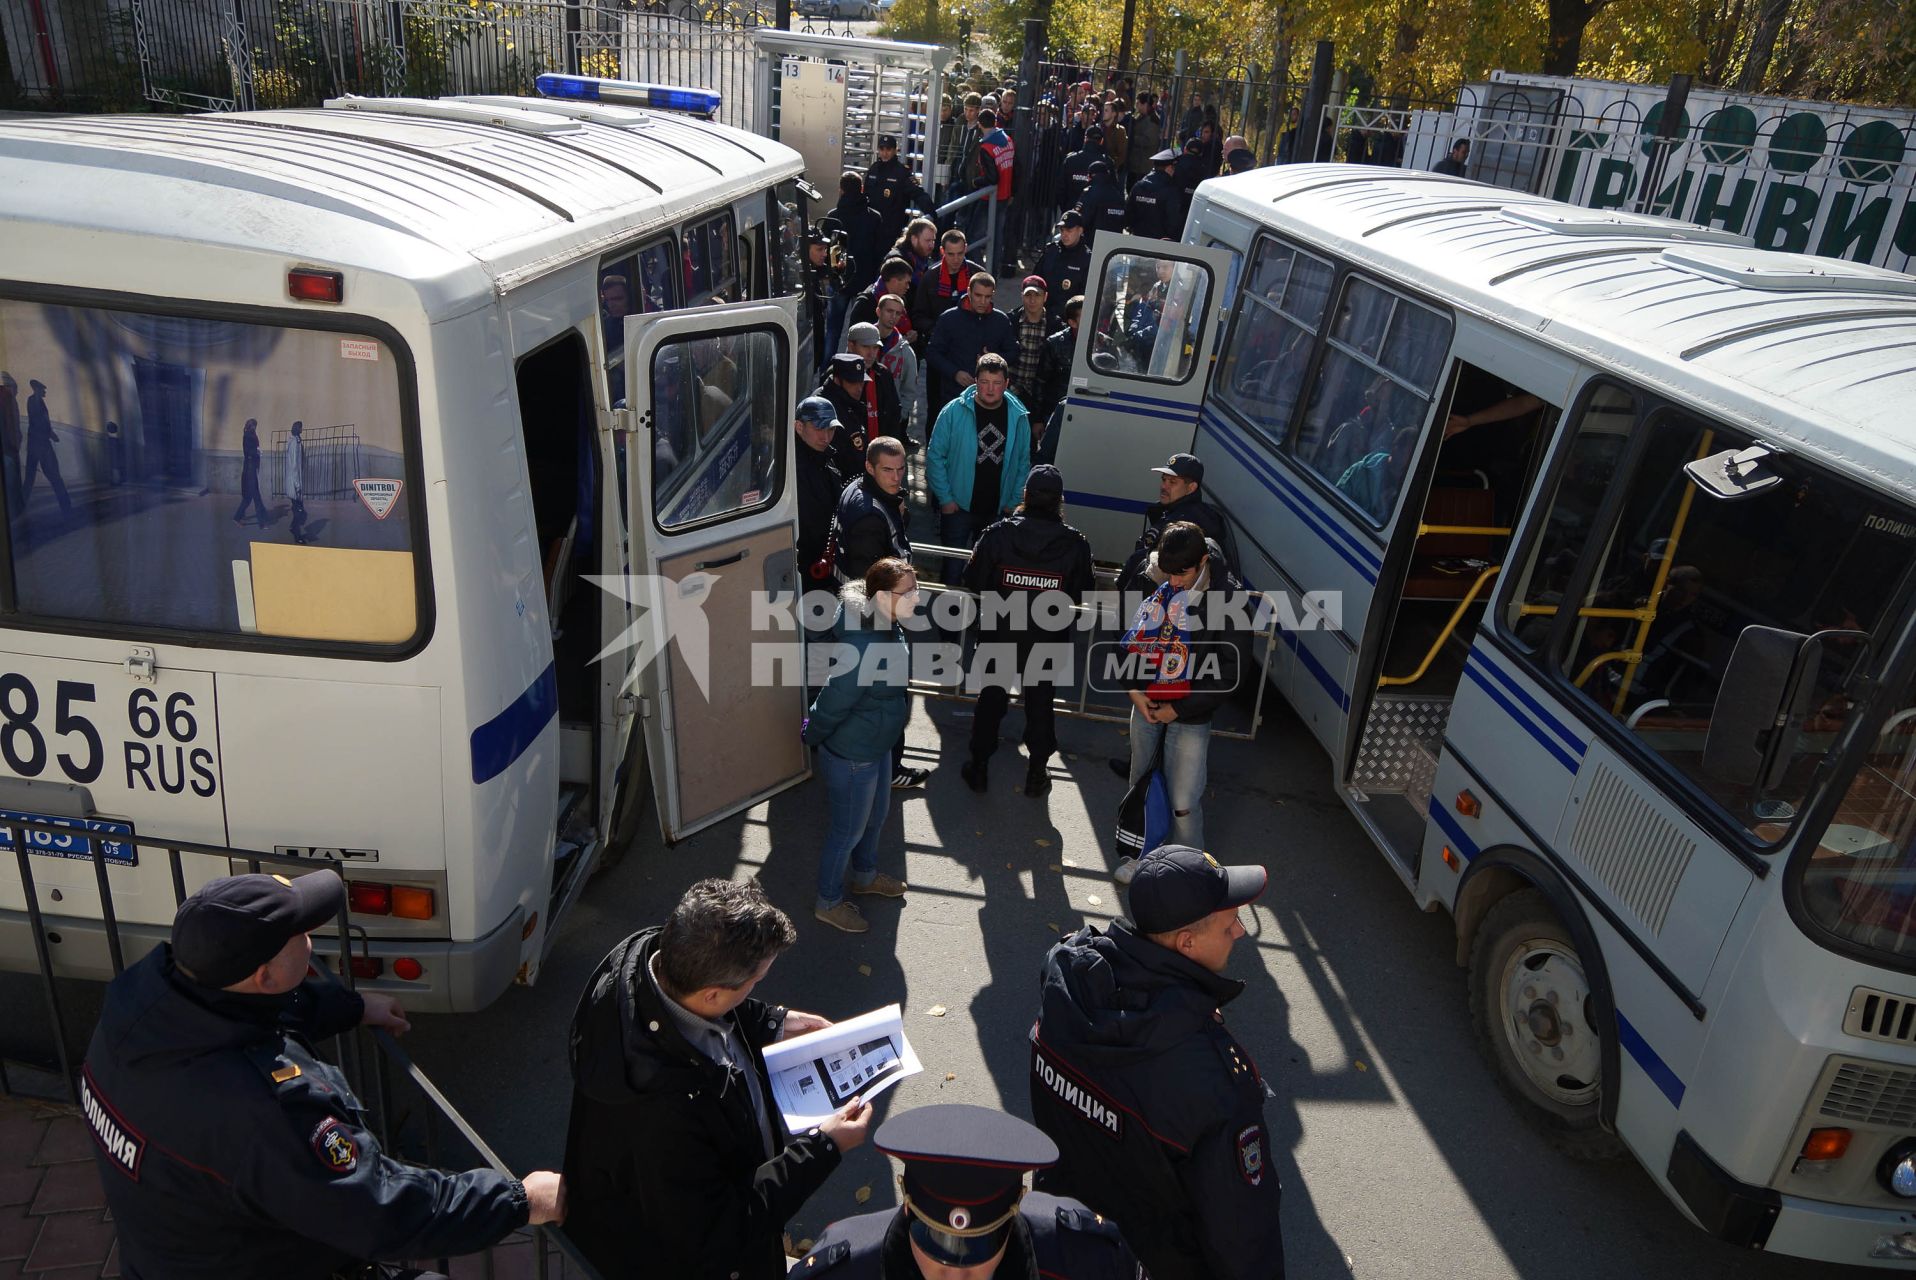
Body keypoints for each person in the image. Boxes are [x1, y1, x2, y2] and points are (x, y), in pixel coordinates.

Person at [83, 871, 562, 1278]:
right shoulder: (260, 1112)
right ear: (263, 975)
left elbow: (248, 1011)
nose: (312, 941)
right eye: (302, 936)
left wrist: (352, 1007)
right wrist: (521, 1201)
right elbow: (381, 1210)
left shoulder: (139, 1014)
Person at [564, 878, 873, 1275]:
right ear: (712, 995)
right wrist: (824, 1148)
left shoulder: (663, 968)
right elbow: (724, 1227)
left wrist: (771, 1021)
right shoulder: (660, 1115)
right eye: (754, 983)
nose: (756, 990)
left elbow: (724, 1014)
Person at [1029, 845, 1282, 1280]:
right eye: (1229, 923)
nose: (1240, 931)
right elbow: (1242, 1238)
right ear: (1186, 942)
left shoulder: (1065, 983)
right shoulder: (1215, 1083)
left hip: (1062, 1239)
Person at [799, 1104, 1143, 1278]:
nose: (956, 1277)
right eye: (936, 1249)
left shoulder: (1087, 1260)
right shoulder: (842, 1271)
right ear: (907, 1208)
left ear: (1014, 1213)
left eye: (979, 1248)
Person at [959, 465, 1094, 798]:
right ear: (1059, 501)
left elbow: (973, 580)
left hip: (999, 633)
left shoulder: (997, 534)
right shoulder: (1076, 544)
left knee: (991, 700)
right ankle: (1036, 773)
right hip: (1046, 637)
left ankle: (978, 768)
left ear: (1025, 496)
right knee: (1040, 702)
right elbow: (1083, 595)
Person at [1115, 522, 1240, 863]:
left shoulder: (1228, 597)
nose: (1173, 582)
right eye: (1167, 572)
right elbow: (1123, 638)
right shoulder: (1150, 577)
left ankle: (1187, 873)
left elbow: (1230, 672)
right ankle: (1139, 859)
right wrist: (1134, 691)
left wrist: (1180, 710)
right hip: (1146, 705)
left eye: (1181, 573)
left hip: (1189, 716)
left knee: (1183, 804)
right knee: (1141, 788)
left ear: (1202, 561)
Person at [806, 557, 917, 932]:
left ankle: (865, 877)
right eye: (910, 592)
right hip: (854, 753)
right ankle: (828, 901)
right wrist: (812, 733)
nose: (918, 597)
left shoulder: (887, 622)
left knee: (877, 816)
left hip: (877, 744)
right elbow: (835, 699)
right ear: (883, 596)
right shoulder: (868, 641)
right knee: (847, 832)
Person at [927, 353, 1031, 584]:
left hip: (998, 510)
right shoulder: (953, 411)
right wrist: (945, 499)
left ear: (1006, 384)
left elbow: (1023, 463)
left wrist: (1013, 502)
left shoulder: (1019, 416)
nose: (990, 389)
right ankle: (948, 617)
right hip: (958, 509)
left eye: (996, 383)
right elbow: (935, 456)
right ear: (976, 382)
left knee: (987, 573)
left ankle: (975, 618)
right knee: (952, 570)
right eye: (984, 382)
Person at [1118, 452, 1239, 591]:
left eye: (1172, 482)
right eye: (1164, 480)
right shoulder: (1173, 511)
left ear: (1191, 488)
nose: (1164, 486)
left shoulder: (1190, 521)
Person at [925, 271, 1012, 423]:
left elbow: (1013, 351)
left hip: (989, 399)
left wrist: (993, 358)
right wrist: (955, 373)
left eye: (987, 296)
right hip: (953, 394)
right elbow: (932, 353)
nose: (983, 301)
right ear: (969, 292)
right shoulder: (949, 318)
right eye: (978, 295)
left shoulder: (1001, 320)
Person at [818, 351, 899, 479]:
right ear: (838, 380)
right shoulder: (824, 409)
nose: (859, 388)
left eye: (861, 381)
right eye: (852, 382)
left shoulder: (850, 401)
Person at [908, 229, 984, 352]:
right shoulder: (929, 278)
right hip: (939, 343)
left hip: (971, 342)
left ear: (965, 249)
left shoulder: (978, 274)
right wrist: (939, 330)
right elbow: (918, 316)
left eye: (960, 253)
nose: (956, 259)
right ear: (942, 251)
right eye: (951, 254)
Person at [795, 396, 846, 572]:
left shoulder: (823, 456)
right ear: (799, 427)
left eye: (831, 429)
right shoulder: (796, 469)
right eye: (819, 428)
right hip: (808, 567)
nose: (826, 437)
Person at [1033, 295, 1082, 463]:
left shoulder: (1103, 343)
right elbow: (1040, 382)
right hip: (1054, 415)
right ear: (1072, 322)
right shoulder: (1054, 344)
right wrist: (1039, 419)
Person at [874, 292, 924, 443]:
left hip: (889, 417)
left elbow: (910, 388)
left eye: (898, 313)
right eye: (889, 311)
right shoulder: (860, 340)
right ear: (878, 311)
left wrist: (900, 414)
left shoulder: (905, 351)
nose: (893, 317)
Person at [864, 134, 926, 250]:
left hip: (891, 227)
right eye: (882, 149)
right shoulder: (873, 169)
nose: (885, 153)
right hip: (872, 227)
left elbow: (918, 194)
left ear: (895, 150)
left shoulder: (902, 172)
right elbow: (865, 194)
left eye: (888, 149)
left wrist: (933, 213)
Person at [22, 377, 70, 516]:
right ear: (37, 389)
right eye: (43, 389)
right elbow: (40, 423)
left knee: (30, 479)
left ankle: (19, 507)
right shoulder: (35, 401)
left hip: (35, 445)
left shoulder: (34, 401)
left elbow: (40, 423)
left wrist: (51, 433)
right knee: (55, 477)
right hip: (41, 445)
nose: (45, 392)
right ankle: (66, 507)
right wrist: (50, 434)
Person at [1009, 276, 1052, 410]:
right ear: (1022, 296)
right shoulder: (1010, 321)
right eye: (1028, 295)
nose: (1032, 300)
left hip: (1039, 395)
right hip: (1010, 391)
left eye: (1037, 295)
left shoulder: (1055, 325)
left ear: (1045, 297)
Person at [1127, 148, 1183, 240]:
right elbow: (1173, 222)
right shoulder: (1171, 191)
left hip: (1136, 240)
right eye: (1174, 168)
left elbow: (1128, 214)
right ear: (1169, 168)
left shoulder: (1138, 186)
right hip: (1158, 244)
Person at [1075, 161, 1127, 248]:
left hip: (1092, 244)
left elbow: (1080, 220)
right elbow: (1125, 221)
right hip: (1113, 248)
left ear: (1090, 176)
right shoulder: (1117, 195)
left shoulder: (1089, 193)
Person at [1058, 125, 1102, 215]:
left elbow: (1061, 188)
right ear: (1101, 141)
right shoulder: (1106, 163)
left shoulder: (1071, 160)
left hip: (1071, 211)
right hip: (1095, 215)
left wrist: (1065, 209)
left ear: (1085, 139)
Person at [233, 417, 268, 526]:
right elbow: (248, 451)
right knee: (256, 496)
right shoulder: (248, 436)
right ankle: (262, 522)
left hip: (251, 468)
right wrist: (257, 452)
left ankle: (237, 517)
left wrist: (257, 451)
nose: (255, 427)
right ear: (251, 426)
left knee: (248, 497)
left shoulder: (251, 435)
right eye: (254, 425)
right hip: (249, 469)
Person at [1126, 91, 1163, 190]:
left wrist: (1132, 137)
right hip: (1136, 162)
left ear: (1145, 104)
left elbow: (1150, 141)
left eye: (1138, 103)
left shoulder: (1152, 120)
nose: (1136, 105)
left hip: (1143, 165)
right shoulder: (1141, 116)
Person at [284, 419, 310, 544]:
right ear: (297, 429)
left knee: (297, 509)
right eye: (301, 427)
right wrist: (297, 484)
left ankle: (293, 528)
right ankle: (297, 536)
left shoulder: (297, 441)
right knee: (299, 511)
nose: (302, 429)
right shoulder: (295, 443)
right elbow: (294, 465)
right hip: (294, 483)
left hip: (295, 481)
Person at [0, 371, 21, 510]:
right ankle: (15, 508)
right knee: (11, 477)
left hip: (9, 444)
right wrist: (15, 441)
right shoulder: (6, 399)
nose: (16, 391)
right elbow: (9, 422)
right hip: (8, 445)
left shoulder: (7, 398)